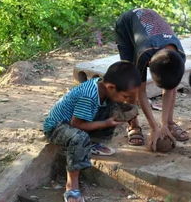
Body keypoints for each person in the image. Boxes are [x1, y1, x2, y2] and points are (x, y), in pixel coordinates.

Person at [43, 62, 141, 202]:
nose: (126, 100)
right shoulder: (89, 96)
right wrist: (105, 123)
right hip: (57, 127)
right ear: (111, 87)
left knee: (116, 110)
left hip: (76, 122)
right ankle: (72, 186)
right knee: (79, 138)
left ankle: (92, 144)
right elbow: (76, 124)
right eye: (125, 96)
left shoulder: (104, 88)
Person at [115, 8, 188, 151]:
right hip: (126, 25)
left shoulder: (179, 56)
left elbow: (170, 89)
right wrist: (154, 127)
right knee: (130, 83)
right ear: (148, 65)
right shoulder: (144, 55)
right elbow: (140, 91)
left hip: (150, 30)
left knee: (169, 91)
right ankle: (133, 124)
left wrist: (163, 124)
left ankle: (169, 123)